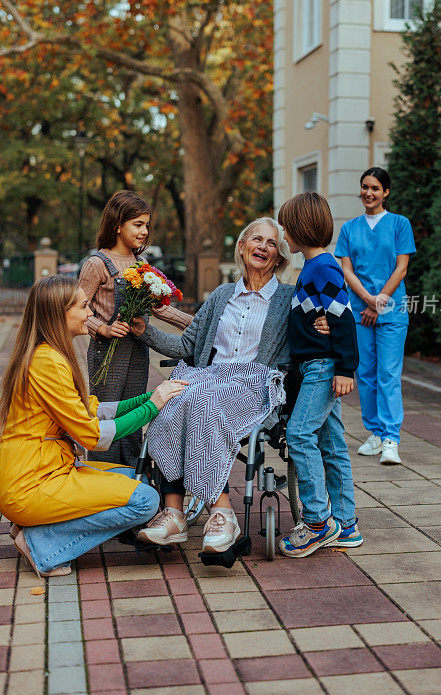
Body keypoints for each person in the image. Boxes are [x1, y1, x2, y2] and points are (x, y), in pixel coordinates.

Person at [130, 217, 327, 554]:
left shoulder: (288, 298)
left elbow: (315, 327)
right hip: (210, 379)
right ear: (241, 246)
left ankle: (222, 513)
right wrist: (143, 331)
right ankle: (174, 512)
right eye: (256, 239)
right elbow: (187, 347)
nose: (263, 247)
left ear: (280, 257)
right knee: (173, 399)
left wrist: (326, 324)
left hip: (254, 383)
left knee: (200, 399)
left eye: (271, 243)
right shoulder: (222, 295)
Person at [0, 275, 186, 578]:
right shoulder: (48, 361)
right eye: (84, 306)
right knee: (146, 500)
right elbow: (92, 436)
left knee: (132, 475)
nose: (90, 314)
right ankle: (43, 546)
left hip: (42, 472)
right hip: (31, 484)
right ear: (61, 313)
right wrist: (153, 407)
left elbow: (92, 411)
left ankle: (35, 526)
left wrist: (149, 397)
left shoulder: (50, 352)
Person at [78, 190, 192, 467]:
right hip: (107, 353)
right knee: (107, 415)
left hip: (138, 350)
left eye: (146, 225)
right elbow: (75, 308)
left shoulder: (141, 265)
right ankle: (104, 476)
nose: (144, 232)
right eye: (138, 224)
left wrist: (200, 323)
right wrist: (101, 329)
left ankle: (132, 479)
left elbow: (159, 309)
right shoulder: (97, 264)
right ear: (117, 225)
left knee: (136, 414)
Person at [277, 191, 363, 558]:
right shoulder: (312, 268)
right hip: (318, 366)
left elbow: (343, 317)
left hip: (323, 369)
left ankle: (317, 522)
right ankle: (346, 525)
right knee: (331, 444)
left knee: (298, 434)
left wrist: (345, 368)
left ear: (301, 228)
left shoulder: (323, 267)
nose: (283, 233)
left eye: (286, 227)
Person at [334, 168, 416, 465]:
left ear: (386, 192)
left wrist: (378, 303)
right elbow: (347, 270)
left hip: (391, 313)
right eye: (365, 187)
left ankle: (392, 438)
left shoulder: (399, 224)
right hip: (360, 313)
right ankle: (376, 432)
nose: (369, 193)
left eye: (376, 188)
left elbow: (401, 268)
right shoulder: (349, 228)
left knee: (389, 375)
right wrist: (367, 301)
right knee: (365, 375)